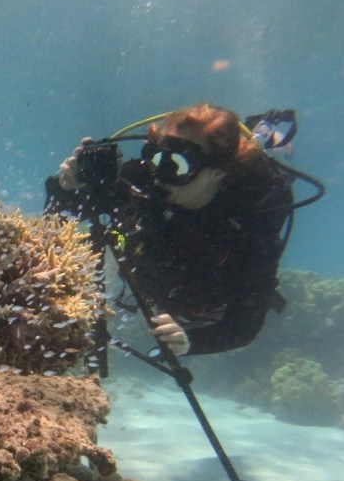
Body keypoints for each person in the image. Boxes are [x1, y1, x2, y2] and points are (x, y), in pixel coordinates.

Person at [44, 103, 295, 356]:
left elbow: (244, 326)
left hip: (203, 301)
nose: (159, 176)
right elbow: (59, 217)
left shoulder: (250, 222)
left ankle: (267, 140)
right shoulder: (144, 177)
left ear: (217, 173)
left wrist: (191, 341)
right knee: (117, 233)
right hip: (142, 262)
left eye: (178, 165)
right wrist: (65, 187)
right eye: (155, 156)